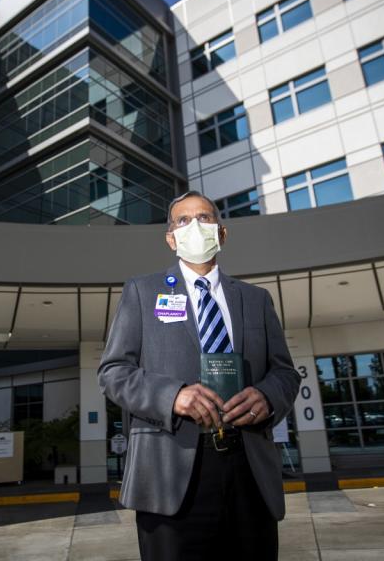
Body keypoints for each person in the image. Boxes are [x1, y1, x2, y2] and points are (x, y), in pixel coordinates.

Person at [98, 191, 301, 561]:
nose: (195, 226)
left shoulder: (256, 300)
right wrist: (171, 396)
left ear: (221, 233)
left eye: (205, 218)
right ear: (171, 238)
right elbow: (114, 372)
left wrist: (269, 397)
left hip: (248, 468)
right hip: (171, 472)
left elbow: (285, 373)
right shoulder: (143, 292)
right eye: (183, 220)